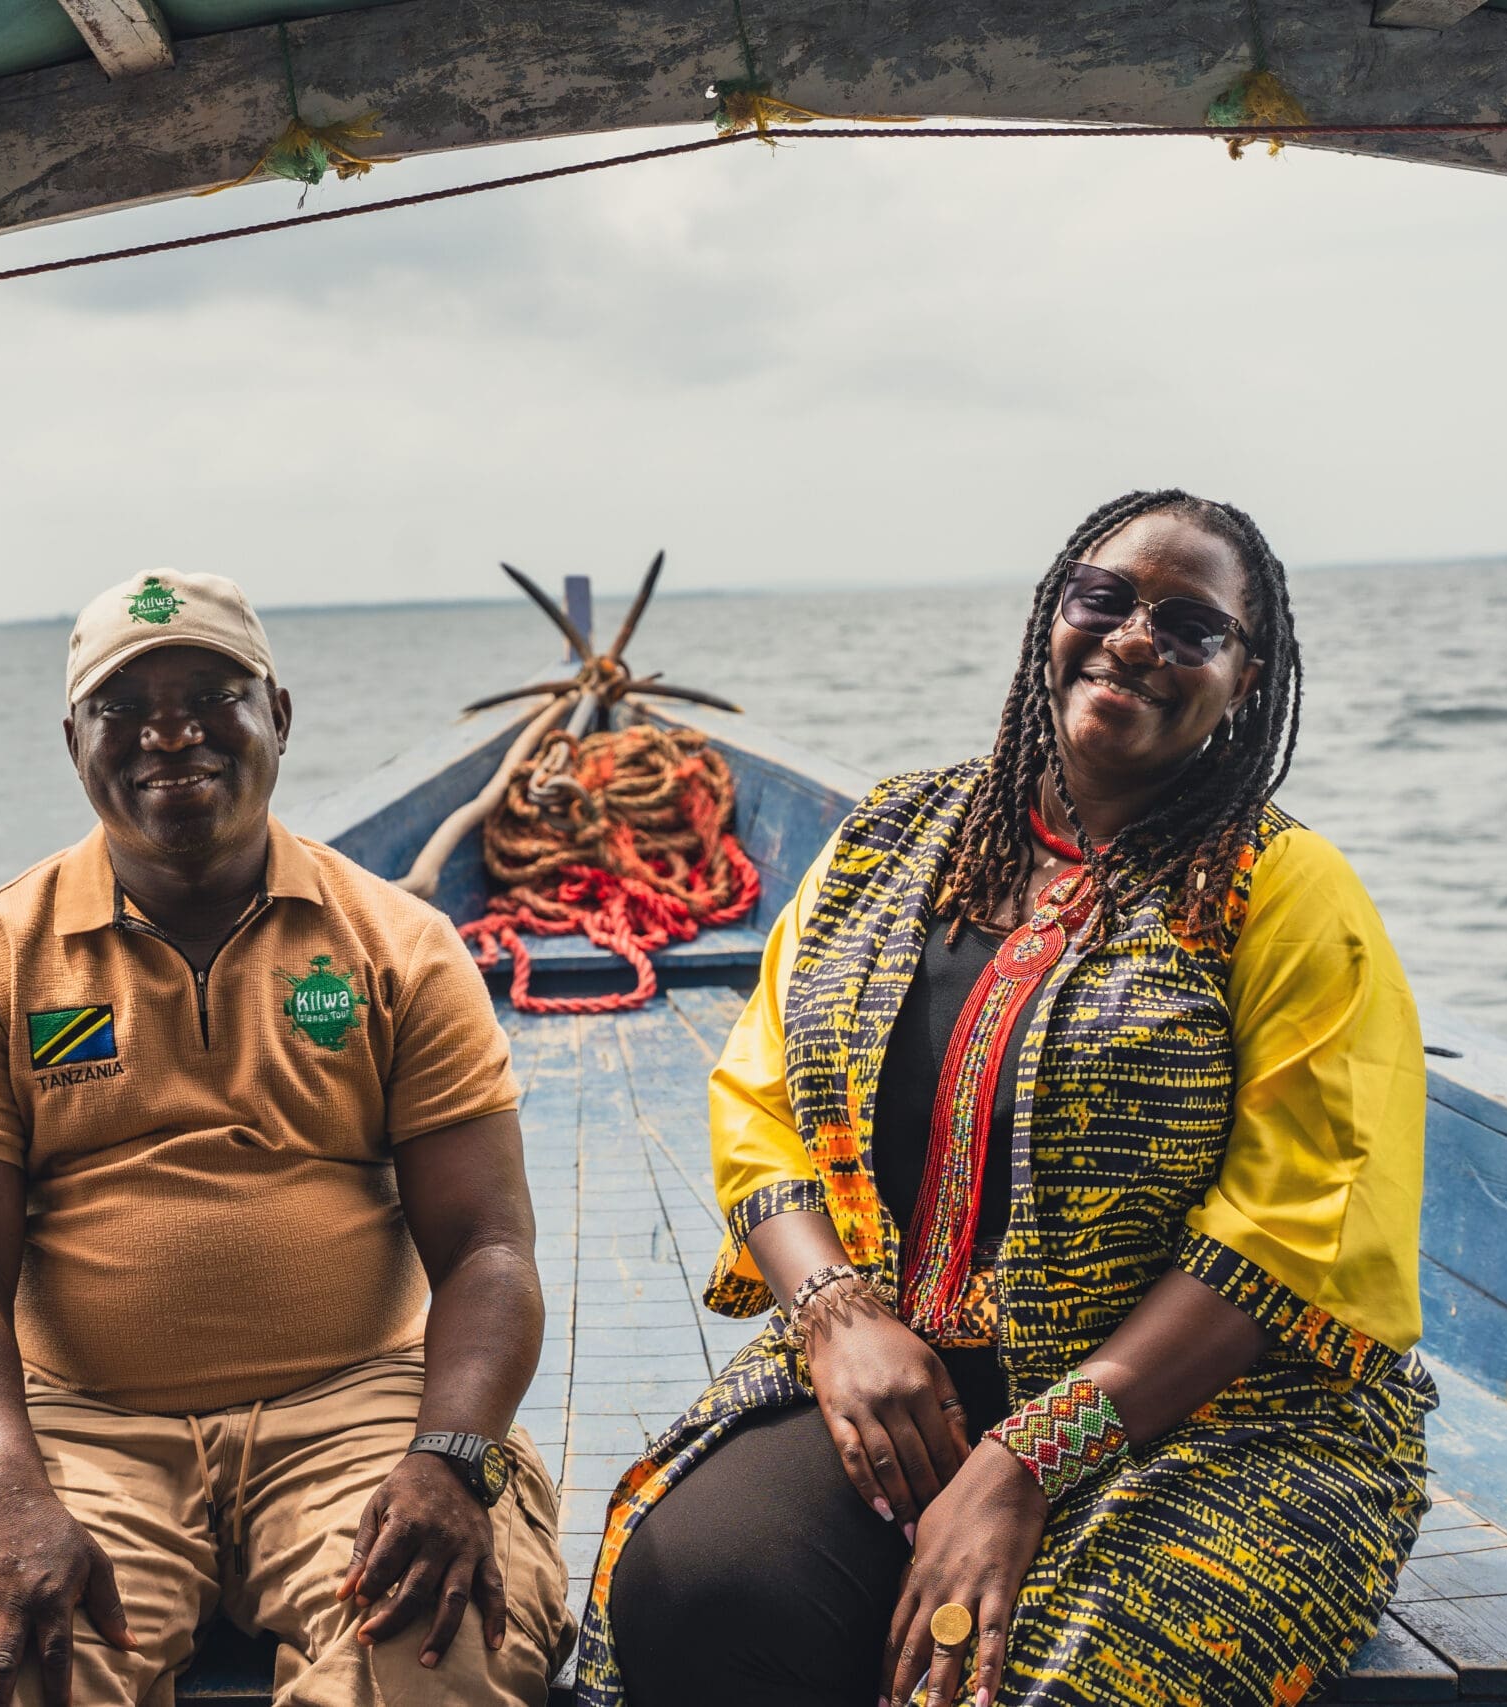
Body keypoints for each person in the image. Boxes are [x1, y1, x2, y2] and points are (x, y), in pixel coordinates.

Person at [582, 491, 1436, 1707]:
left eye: (1192, 627)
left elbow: (1295, 1227)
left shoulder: (1285, 893)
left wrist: (1031, 1457)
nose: (1136, 638)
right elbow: (759, 1094)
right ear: (1053, 616)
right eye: (1105, 599)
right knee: (698, 1592)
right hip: (907, 1373)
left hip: (1214, 1415)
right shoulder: (891, 837)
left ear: (1247, 679)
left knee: (1025, 1688)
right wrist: (834, 1317)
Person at [0, 570, 576, 1707]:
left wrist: (451, 1456)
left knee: (443, 1665)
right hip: (79, 1421)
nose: (168, 733)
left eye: (210, 696)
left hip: (359, 1403)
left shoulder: (403, 948)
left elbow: (487, 1247)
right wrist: (7, 1499)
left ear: (277, 715)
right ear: (73, 740)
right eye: (122, 708)